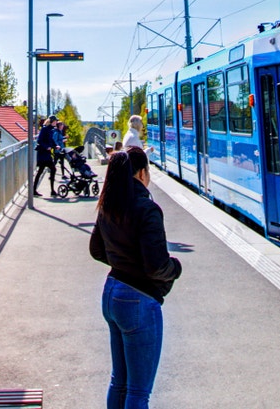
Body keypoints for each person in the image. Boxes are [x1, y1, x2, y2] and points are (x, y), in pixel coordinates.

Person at [89, 147, 181, 409]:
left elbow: (96, 250)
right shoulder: (147, 209)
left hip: (112, 294)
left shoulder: (108, 204)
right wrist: (176, 268)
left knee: (119, 382)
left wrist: (123, 263)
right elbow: (156, 266)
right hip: (138, 301)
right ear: (142, 173)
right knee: (139, 392)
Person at [33, 116, 61, 194]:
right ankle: (50, 190)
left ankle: (50, 190)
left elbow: (51, 140)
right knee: (45, 170)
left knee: (47, 170)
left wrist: (55, 146)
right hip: (43, 154)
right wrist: (46, 147)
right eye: (55, 121)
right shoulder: (45, 129)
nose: (56, 123)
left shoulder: (51, 130)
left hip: (47, 154)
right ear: (52, 121)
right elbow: (39, 140)